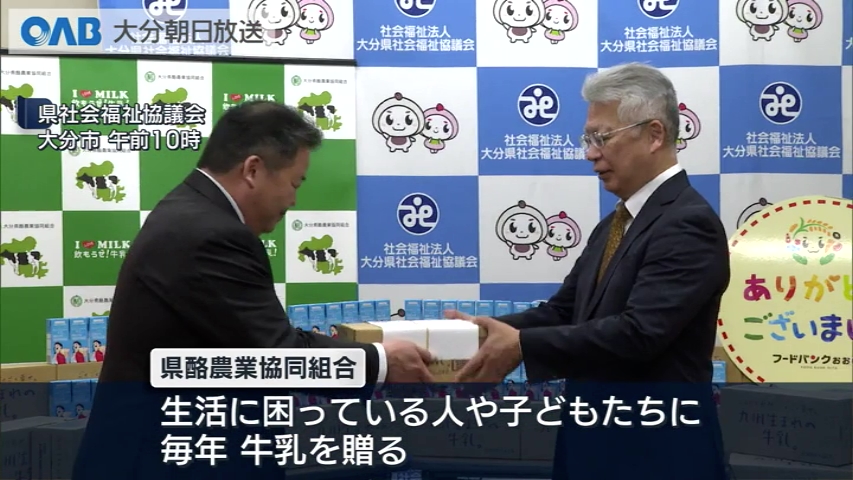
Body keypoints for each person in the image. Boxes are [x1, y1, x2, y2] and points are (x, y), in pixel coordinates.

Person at [73, 101, 434, 479]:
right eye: (294, 183)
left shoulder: (192, 213)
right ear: (253, 170)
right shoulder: (210, 234)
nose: (293, 200)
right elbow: (278, 354)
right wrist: (381, 362)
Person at [446, 63, 730, 479]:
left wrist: (520, 345)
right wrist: (482, 333)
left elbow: (639, 334)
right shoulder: (617, 221)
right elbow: (564, 312)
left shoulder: (688, 222)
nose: (590, 153)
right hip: (594, 445)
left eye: (602, 137)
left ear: (654, 134)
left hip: (656, 454)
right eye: (588, 138)